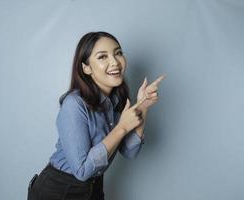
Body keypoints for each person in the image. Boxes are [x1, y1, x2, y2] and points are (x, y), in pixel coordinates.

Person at [27, 31, 165, 200]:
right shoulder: (74, 104)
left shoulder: (116, 101)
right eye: (102, 57)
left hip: (93, 188)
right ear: (86, 68)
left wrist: (143, 105)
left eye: (118, 53)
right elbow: (82, 171)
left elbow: (130, 152)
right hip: (58, 190)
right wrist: (122, 127)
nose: (115, 62)